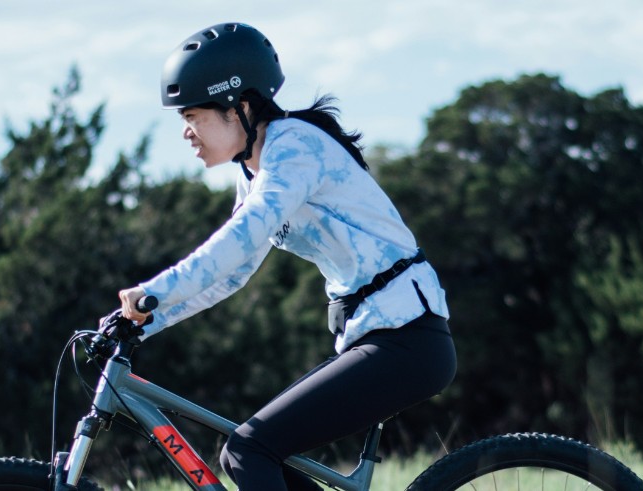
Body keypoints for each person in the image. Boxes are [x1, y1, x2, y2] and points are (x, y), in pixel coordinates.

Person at [115, 22, 456, 491]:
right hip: (378, 335)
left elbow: (241, 238)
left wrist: (154, 292)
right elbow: (231, 273)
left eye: (194, 116)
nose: (186, 133)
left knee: (246, 450)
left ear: (242, 107)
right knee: (258, 454)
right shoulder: (255, 169)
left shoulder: (294, 146)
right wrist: (140, 322)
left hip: (407, 340)